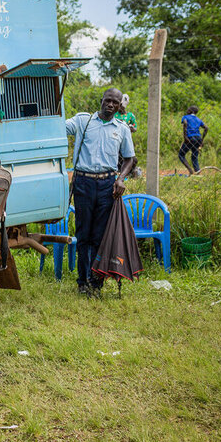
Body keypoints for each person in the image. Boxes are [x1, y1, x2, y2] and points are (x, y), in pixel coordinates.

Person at [66, 88, 136, 296]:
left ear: (119, 106)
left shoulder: (121, 128)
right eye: (108, 101)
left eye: (115, 102)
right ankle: (82, 282)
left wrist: (121, 178)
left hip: (107, 186)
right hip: (83, 183)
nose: (111, 105)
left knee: (100, 236)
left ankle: (96, 283)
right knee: (83, 234)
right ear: (102, 101)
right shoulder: (83, 121)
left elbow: (130, 158)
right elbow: (58, 126)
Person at [178, 105, 207, 175]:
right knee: (194, 157)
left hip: (190, 138)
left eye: (189, 109)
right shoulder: (198, 119)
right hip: (198, 138)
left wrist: (185, 137)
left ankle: (190, 170)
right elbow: (206, 128)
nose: (187, 110)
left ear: (191, 111)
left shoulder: (185, 117)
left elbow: (185, 123)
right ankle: (198, 172)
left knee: (181, 154)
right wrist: (202, 140)